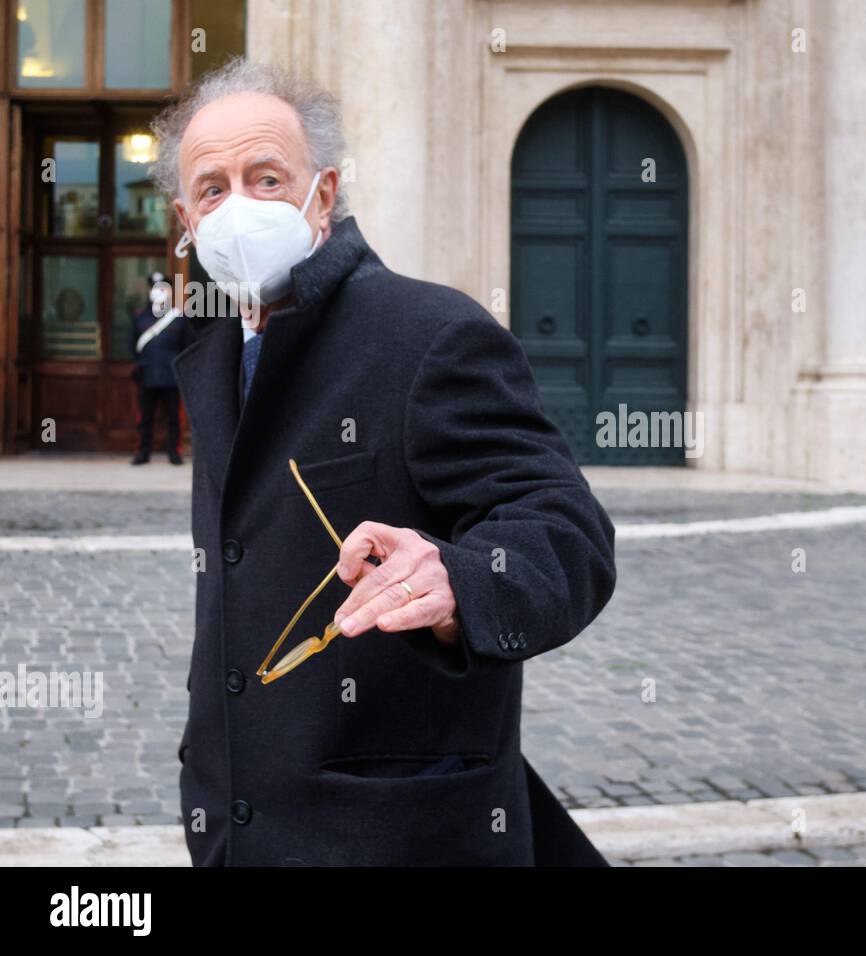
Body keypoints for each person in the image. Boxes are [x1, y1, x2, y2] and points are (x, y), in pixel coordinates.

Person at [152, 57, 616, 866]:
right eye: (213, 188)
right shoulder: (218, 348)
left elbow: (566, 530)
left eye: (266, 178)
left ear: (322, 195)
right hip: (241, 827)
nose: (239, 206)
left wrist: (460, 583)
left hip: (393, 833)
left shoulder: (430, 332)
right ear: (185, 217)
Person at [130, 272, 187, 465]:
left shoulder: (178, 318)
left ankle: (174, 453)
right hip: (147, 376)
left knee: (174, 419)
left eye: (163, 288)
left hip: (171, 377)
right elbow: (132, 347)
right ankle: (143, 452)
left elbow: (187, 346)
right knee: (144, 418)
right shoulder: (140, 318)